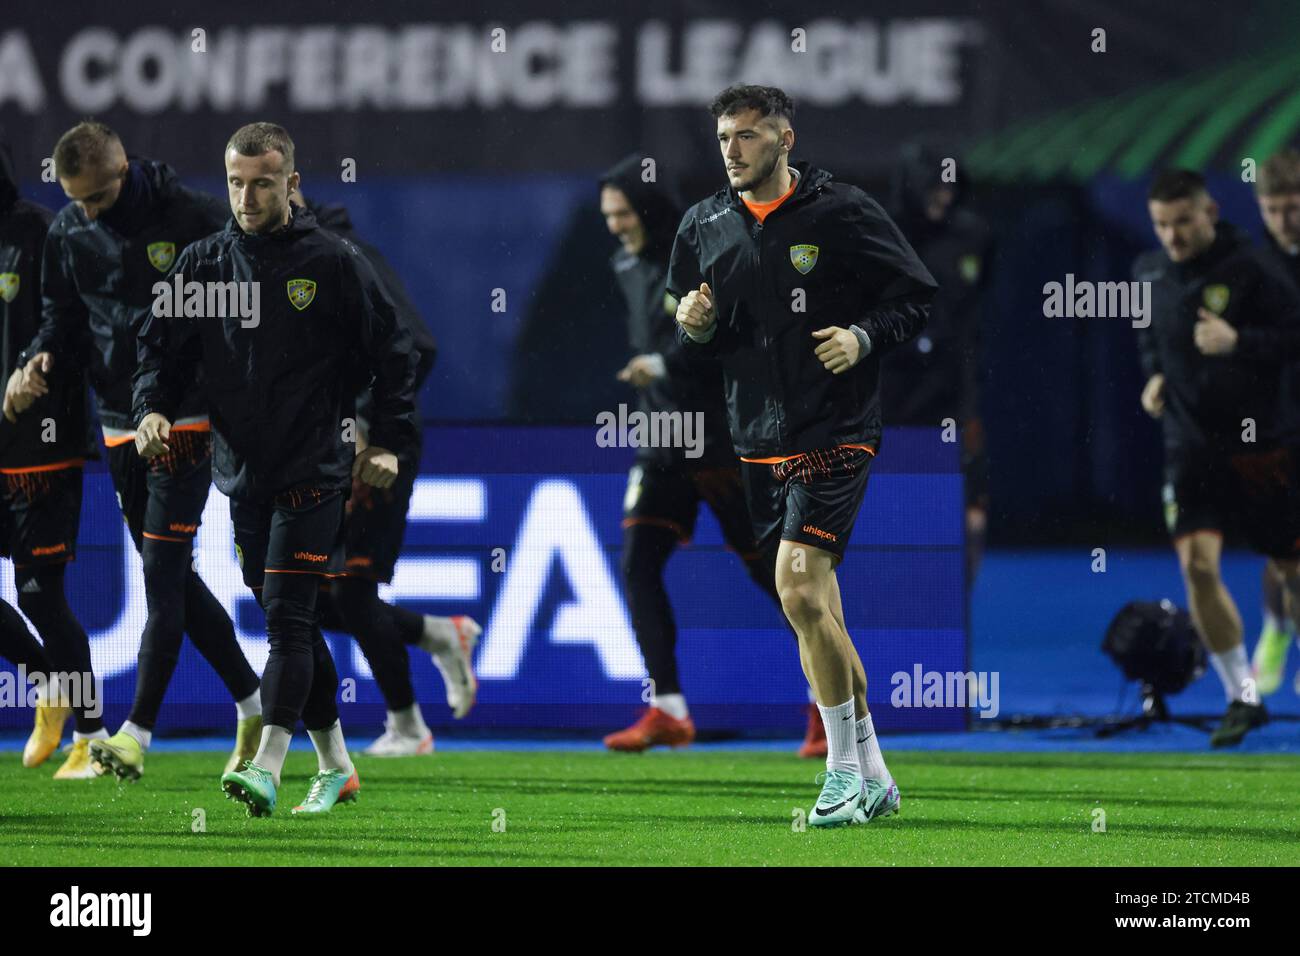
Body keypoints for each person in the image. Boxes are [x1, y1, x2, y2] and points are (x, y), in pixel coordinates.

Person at [670, 84, 936, 826]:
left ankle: (842, 774)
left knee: (796, 589)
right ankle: (877, 774)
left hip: (836, 426)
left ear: (785, 139)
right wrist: (691, 327)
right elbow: (699, 339)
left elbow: (916, 296)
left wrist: (862, 337)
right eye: (724, 136)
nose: (732, 149)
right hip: (756, 438)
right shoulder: (704, 225)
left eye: (748, 136)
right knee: (815, 611)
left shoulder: (841, 211)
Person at [134, 122, 418, 815]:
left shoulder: (331, 263)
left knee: (288, 620)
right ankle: (338, 766)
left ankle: (266, 763)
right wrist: (151, 409)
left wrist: (384, 442)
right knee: (287, 620)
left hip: (315, 469)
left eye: (263, 182)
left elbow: (397, 355)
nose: (248, 195)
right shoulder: (202, 266)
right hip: (243, 475)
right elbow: (160, 355)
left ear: (291, 183)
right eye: (236, 182)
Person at [6, 121, 263, 781]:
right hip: (117, 425)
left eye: (96, 197)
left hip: (185, 419)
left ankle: (131, 737)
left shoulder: (193, 217)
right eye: (77, 200)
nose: (87, 211)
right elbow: (62, 320)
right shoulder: (70, 233)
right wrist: (39, 359)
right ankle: (253, 700)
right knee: (170, 571)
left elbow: (241, 309)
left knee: (160, 574)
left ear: (123, 169)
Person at [598, 154, 793, 752]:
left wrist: (663, 362)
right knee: (638, 565)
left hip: (718, 438)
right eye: (608, 214)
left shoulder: (705, 249)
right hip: (661, 438)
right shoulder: (625, 263)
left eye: (624, 212)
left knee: (779, 576)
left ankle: (832, 700)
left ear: (649, 208)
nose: (615, 225)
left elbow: (728, 338)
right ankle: (668, 709)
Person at [291, 187, 479, 755]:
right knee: (312, 599)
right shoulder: (273, 265)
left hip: (377, 449)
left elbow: (416, 346)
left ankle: (408, 726)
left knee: (350, 590)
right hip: (317, 451)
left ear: (292, 188)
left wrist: (370, 427)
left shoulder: (349, 256)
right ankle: (439, 635)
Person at [1135, 168, 1300, 746]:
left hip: (1260, 445)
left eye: (1183, 222)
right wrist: (1154, 376)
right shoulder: (1148, 271)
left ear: (1209, 213)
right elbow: (1150, 338)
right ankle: (1243, 695)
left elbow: (1294, 335)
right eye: (1161, 225)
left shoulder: (1254, 268)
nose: (1173, 236)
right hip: (1189, 445)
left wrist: (1239, 343)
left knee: (1290, 571)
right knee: (1198, 567)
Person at [0, 139, 88, 774]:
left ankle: (93, 736)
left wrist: (39, 373)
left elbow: (69, 324)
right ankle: (47, 680)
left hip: (38, 443)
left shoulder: (37, 231)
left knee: (39, 595)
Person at [881, 144, 994, 586]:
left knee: (971, 517)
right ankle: (895, 600)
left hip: (954, 393)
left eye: (950, 188)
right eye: (933, 188)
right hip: (890, 394)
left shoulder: (975, 235)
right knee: (891, 508)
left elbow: (979, 304)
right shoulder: (878, 232)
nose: (943, 197)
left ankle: (955, 606)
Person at [1248, 149, 1300, 696]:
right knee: (1282, 550)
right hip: (1272, 422)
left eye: (1293, 207)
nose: (1285, 219)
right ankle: (1277, 628)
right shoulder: (1253, 271)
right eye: (1273, 209)